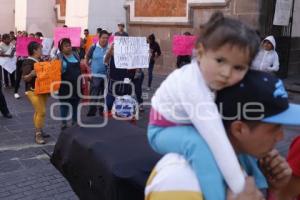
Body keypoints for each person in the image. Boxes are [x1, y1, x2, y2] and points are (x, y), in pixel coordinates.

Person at [148, 12, 261, 200]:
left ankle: (260, 184)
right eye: (220, 61)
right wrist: (241, 188)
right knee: (199, 145)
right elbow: (216, 138)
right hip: (161, 130)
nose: (226, 73)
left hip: (190, 122)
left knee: (235, 138)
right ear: (200, 52)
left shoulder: (211, 78)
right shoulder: (191, 84)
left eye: (239, 68)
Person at [146, 70, 297, 200]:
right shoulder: (179, 178)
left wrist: (274, 191)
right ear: (239, 129)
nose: (281, 137)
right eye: (275, 128)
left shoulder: (238, 162)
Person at [22, 41, 49, 144]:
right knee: (41, 111)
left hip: (42, 90)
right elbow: (25, 78)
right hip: (32, 90)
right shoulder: (28, 62)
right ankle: (38, 134)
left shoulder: (40, 60)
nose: (42, 50)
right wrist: (31, 75)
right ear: (34, 50)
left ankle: (39, 129)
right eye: (40, 49)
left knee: (39, 112)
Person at [57, 38, 82, 130]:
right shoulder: (59, 57)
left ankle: (74, 121)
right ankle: (63, 123)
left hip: (77, 85)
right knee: (64, 105)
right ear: (61, 48)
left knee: (75, 104)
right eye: (66, 46)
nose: (68, 47)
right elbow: (56, 72)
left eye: (69, 45)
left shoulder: (76, 55)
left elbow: (80, 67)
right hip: (64, 86)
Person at [104, 44, 136, 114]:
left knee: (123, 111)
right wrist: (110, 50)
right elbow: (105, 61)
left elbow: (135, 70)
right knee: (109, 105)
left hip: (125, 87)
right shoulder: (111, 56)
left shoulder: (130, 57)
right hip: (112, 87)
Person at [85, 30, 109, 116]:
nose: (105, 40)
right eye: (103, 38)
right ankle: (92, 111)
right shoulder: (93, 47)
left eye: (107, 38)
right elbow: (86, 59)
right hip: (95, 76)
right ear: (99, 38)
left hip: (106, 76)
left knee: (104, 94)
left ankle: (102, 110)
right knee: (94, 94)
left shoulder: (109, 48)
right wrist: (89, 71)